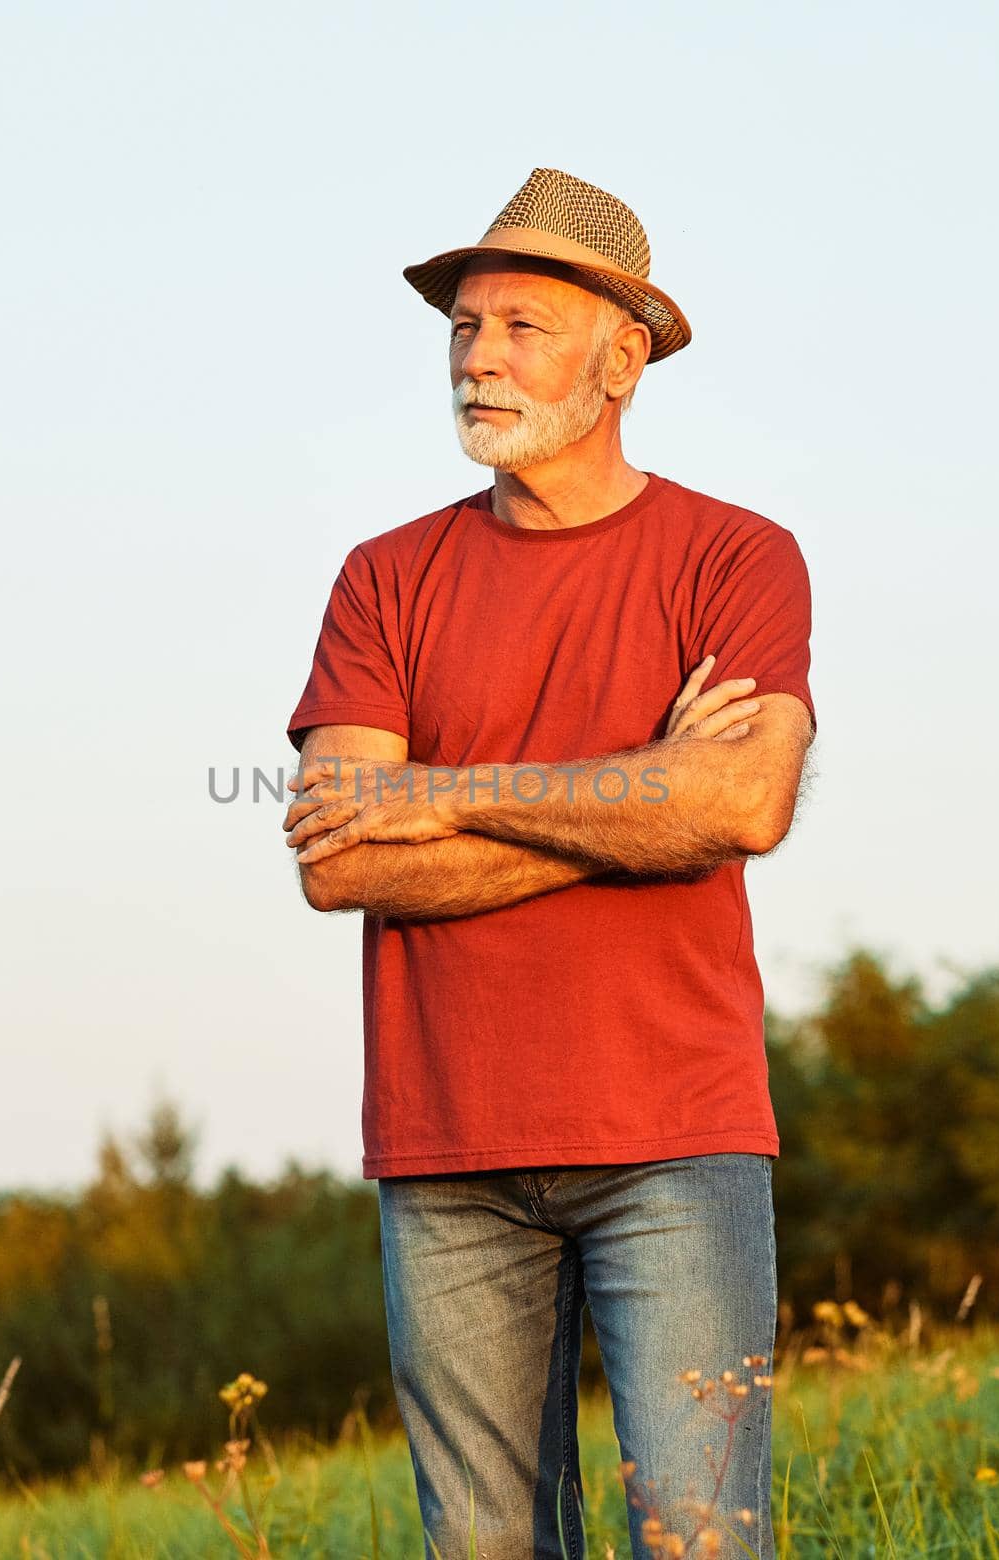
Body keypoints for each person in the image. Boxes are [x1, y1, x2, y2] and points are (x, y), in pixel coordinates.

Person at [282, 167, 816, 1560]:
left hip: (676, 1139)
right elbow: (339, 857)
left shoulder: (738, 558)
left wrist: (442, 802)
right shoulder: (383, 576)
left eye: (521, 326)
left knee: (700, 1541)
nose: (478, 357)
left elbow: (745, 803)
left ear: (622, 356)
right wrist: (643, 790)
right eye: (464, 328)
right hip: (446, 1142)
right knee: (484, 1550)